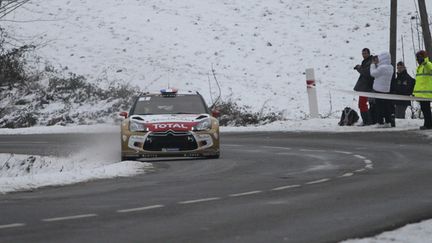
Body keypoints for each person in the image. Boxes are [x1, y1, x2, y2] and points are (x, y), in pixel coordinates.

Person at [370, 52, 394, 128]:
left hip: (379, 90)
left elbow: (373, 73)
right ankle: (388, 121)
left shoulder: (382, 68)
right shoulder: (391, 67)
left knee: (379, 107)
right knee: (386, 107)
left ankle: (380, 122)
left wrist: (373, 65)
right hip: (386, 90)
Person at [353, 48, 375, 125]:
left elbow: (366, 72)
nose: (364, 55)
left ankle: (367, 121)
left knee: (363, 104)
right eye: (363, 53)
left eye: (365, 53)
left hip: (367, 87)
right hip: (365, 87)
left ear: (369, 53)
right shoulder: (367, 61)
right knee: (362, 105)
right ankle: (367, 121)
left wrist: (359, 68)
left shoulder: (371, 61)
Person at [412, 50, 432, 130]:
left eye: (419, 57)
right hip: (421, 93)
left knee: (426, 109)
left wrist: (425, 62)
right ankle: (428, 123)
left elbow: (429, 67)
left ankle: (428, 124)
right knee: (424, 109)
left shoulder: (428, 65)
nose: (418, 59)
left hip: (426, 93)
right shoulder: (419, 68)